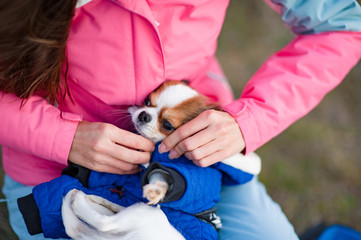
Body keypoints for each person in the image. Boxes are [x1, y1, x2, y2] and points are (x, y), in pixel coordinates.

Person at [1, 0, 360, 239]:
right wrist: (60, 137)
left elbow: (341, 26)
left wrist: (248, 121)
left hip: (199, 165)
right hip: (55, 171)